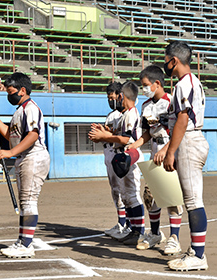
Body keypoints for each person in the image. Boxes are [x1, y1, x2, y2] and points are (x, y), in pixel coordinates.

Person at [155, 41, 209, 271]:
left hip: (188, 140)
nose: (165, 63)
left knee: (193, 201)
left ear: (174, 61)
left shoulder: (183, 84)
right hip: (192, 139)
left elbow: (183, 120)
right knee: (192, 200)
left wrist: (171, 150)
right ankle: (196, 251)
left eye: (166, 59)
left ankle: (198, 255)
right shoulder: (193, 81)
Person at [0, 72, 50, 258]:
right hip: (24, 157)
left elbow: (33, 135)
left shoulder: (31, 108)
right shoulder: (19, 111)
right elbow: (11, 136)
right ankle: (22, 241)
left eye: (11, 91)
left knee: (29, 200)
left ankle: (26, 245)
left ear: (23, 90)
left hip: (33, 156)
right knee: (24, 202)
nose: (9, 95)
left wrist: (10, 153)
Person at [127, 65, 183, 254]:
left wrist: (167, 151)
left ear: (157, 83)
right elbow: (147, 134)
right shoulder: (146, 106)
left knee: (171, 196)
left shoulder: (171, 102)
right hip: (154, 153)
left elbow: (177, 130)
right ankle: (156, 233)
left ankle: (175, 238)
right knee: (150, 197)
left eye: (145, 85)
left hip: (170, 151)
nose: (143, 89)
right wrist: (134, 145)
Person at [89, 81, 145, 246]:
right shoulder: (126, 114)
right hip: (122, 156)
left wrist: (104, 136)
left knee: (132, 196)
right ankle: (132, 230)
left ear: (123, 96)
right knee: (126, 196)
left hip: (129, 156)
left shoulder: (131, 113)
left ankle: (139, 231)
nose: (116, 99)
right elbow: (120, 134)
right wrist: (105, 132)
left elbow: (128, 138)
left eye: (118, 96)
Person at [101, 82, 131, 240]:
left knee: (124, 191)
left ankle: (129, 225)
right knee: (115, 191)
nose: (111, 101)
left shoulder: (125, 113)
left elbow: (124, 136)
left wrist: (105, 134)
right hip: (109, 152)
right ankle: (121, 223)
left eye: (113, 97)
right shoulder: (111, 114)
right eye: (108, 98)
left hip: (119, 154)